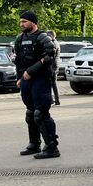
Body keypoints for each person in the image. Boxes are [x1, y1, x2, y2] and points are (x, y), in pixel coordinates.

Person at [14, 10, 60, 159]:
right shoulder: (19, 39)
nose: (21, 24)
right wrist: (20, 77)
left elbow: (49, 56)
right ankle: (34, 144)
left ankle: (52, 147)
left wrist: (31, 71)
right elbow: (19, 60)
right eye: (21, 21)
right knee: (30, 113)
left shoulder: (43, 37)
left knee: (41, 113)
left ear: (33, 22)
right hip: (26, 80)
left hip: (41, 79)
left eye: (24, 21)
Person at [46, 30, 60, 106]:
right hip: (54, 65)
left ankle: (54, 100)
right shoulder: (55, 42)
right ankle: (55, 100)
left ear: (51, 36)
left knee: (52, 84)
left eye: (48, 35)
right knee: (52, 83)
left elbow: (52, 54)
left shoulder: (54, 43)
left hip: (53, 66)